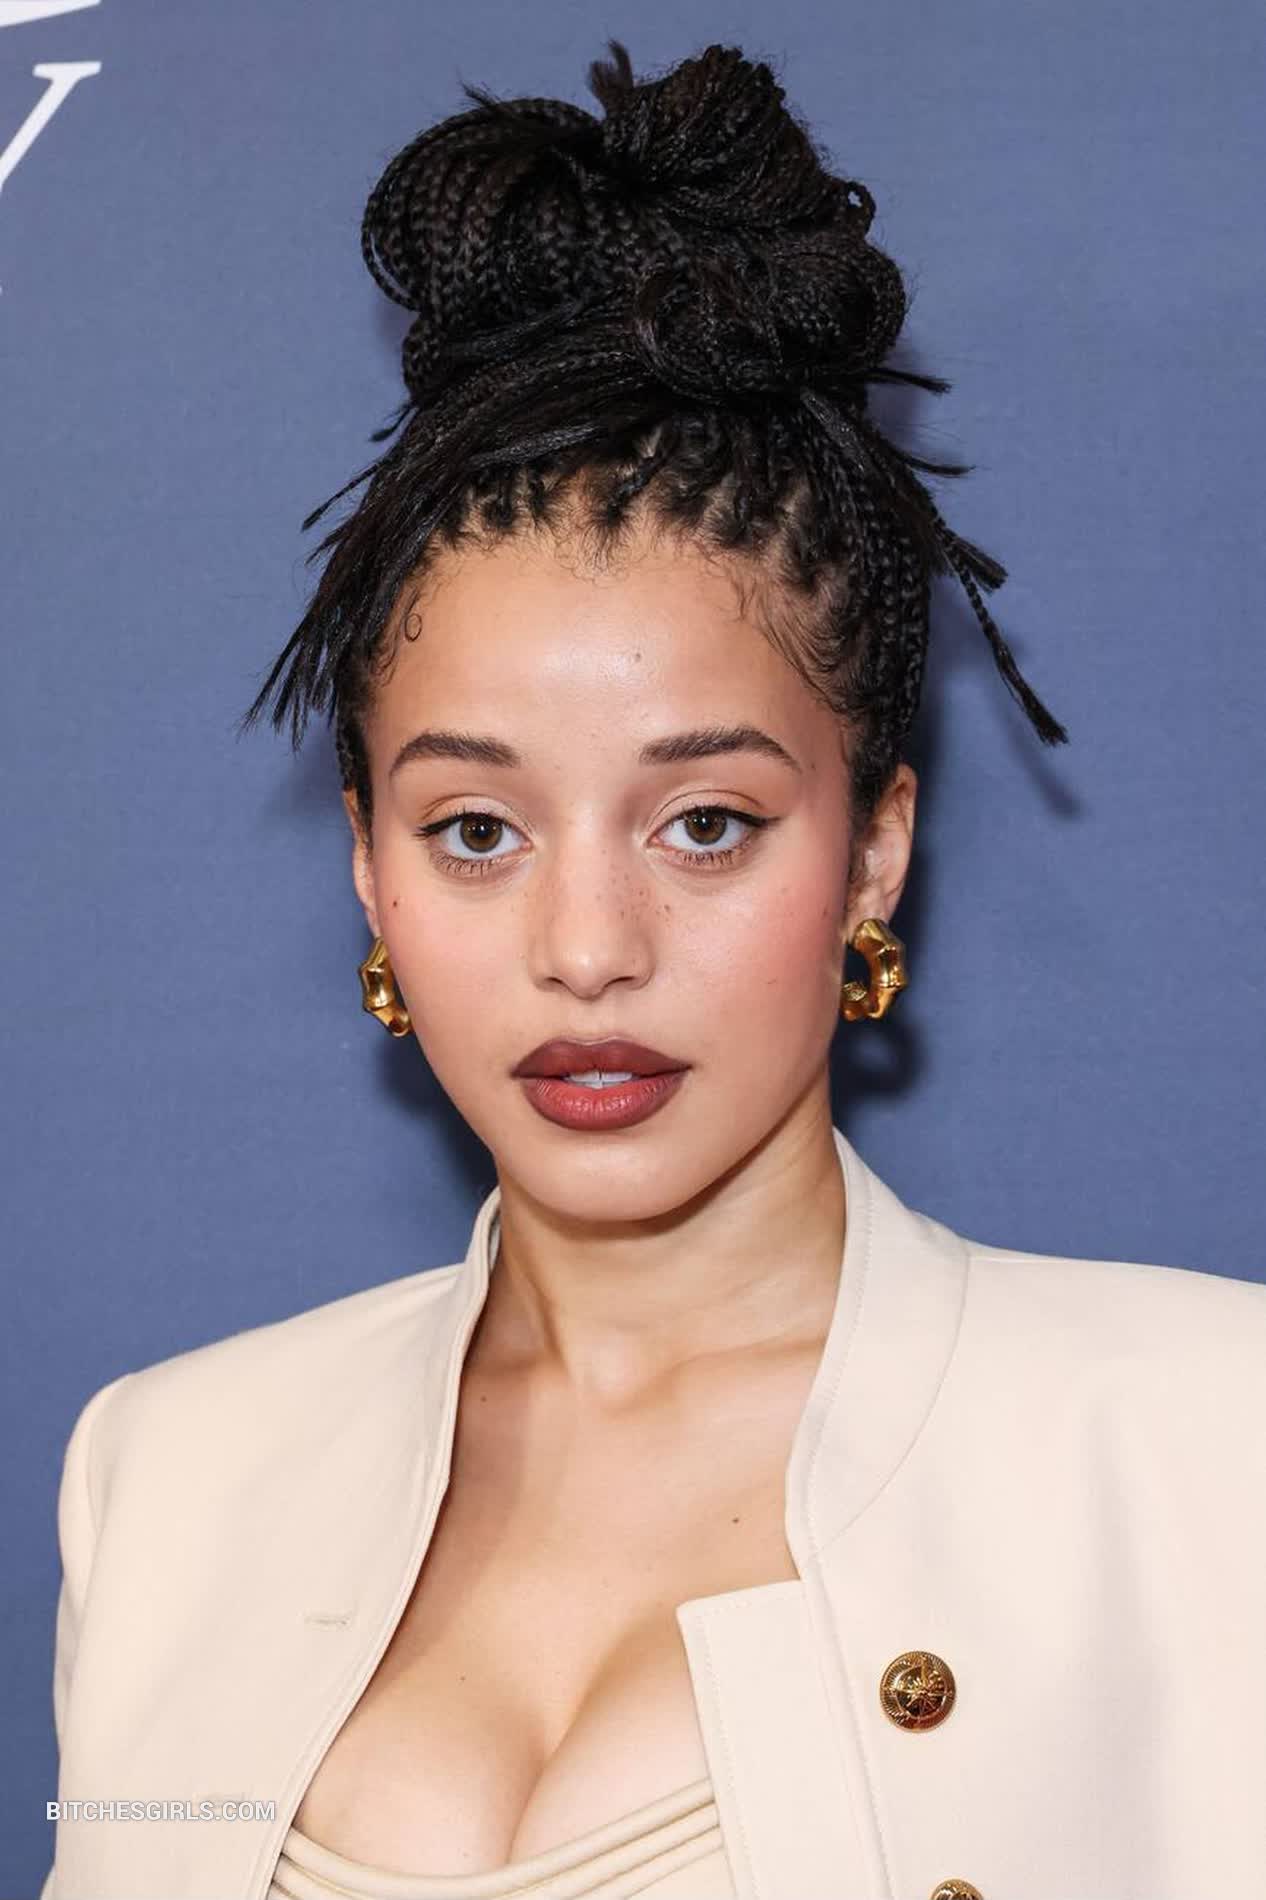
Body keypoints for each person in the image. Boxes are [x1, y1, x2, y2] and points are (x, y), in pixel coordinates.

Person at [41, 40, 1266, 1900]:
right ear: (368, 864)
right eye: (475, 830)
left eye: (704, 823)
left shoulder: (1206, 1441)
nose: (587, 952)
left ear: (872, 849)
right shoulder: (169, 1470)